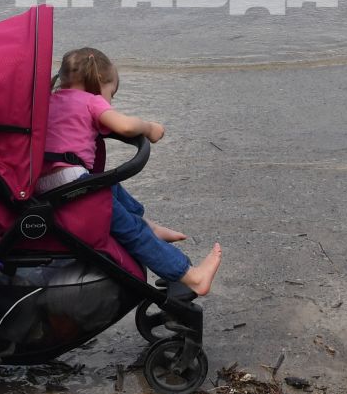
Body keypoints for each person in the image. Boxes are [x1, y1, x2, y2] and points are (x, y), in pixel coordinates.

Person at [37, 47, 221, 296]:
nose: (110, 101)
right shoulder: (91, 101)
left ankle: (148, 224)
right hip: (72, 185)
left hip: (42, 183)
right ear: (98, 83)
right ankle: (192, 276)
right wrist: (149, 128)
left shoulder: (46, 101)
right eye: (111, 93)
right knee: (132, 232)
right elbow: (123, 126)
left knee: (105, 183)